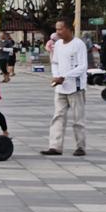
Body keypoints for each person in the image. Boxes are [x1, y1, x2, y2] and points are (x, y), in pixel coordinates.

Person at [42, 20, 88, 157]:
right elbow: (55, 63)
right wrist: (57, 76)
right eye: (56, 29)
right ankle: (55, 146)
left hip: (76, 87)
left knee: (77, 119)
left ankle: (80, 146)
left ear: (68, 29)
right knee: (58, 116)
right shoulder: (58, 45)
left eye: (60, 29)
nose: (58, 32)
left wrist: (65, 76)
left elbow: (82, 67)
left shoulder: (78, 44)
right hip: (60, 88)